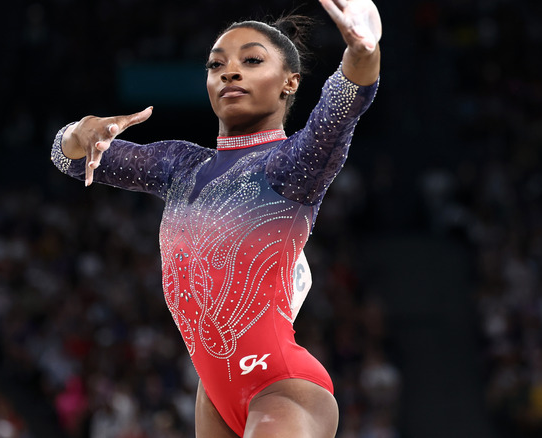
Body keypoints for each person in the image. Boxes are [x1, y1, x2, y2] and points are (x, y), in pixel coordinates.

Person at [50, 0, 381, 436]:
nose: (230, 71)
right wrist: (80, 131)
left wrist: (363, 51)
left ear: (289, 82)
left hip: (282, 389)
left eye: (252, 60)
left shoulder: (290, 165)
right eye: (216, 64)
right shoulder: (180, 164)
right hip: (214, 398)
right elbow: (68, 158)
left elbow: (342, 108)